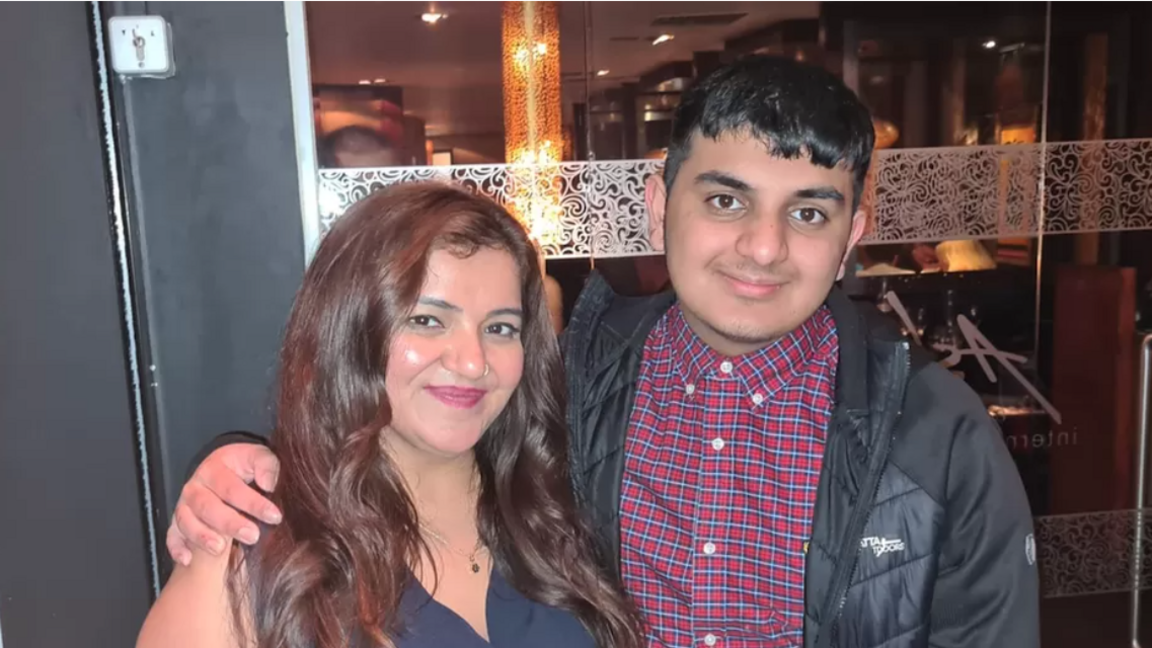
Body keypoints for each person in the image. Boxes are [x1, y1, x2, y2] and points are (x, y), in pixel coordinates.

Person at [166, 56, 1039, 648]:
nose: (764, 248)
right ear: (659, 206)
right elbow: (388, 426)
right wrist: (236, 467)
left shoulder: (938, 437)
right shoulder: (569, 385)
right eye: (727, 201)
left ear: (855, 231)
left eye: (808, 211)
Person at [137, 183, 643, 648]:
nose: (472, 361)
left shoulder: (558, 501)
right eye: (427, 320)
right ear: (352, 329)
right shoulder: (256, 540)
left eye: (501, 328)